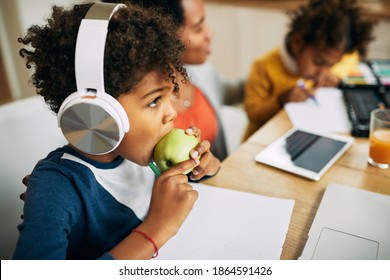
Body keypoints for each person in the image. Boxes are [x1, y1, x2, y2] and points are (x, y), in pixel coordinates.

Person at [13, 2, 220, 260]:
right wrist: (157, 229)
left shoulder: (144, 155)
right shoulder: (58, 186)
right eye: (154, 101)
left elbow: (183, 191)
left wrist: (204, 167)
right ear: (101, 113)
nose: (173, 113)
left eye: (171, 96)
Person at [103, 0, 245, 161]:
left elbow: (238, 90)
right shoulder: (132, 103)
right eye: (198, 28)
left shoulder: (200, 71)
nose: (210, 33)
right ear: (164, 32)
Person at [243, 0, 377, 140]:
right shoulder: (264, 66)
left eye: (331, 65)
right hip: (261, 142)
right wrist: (282, 99)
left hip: (302, 137)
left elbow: (352, 57)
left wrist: (336, 74)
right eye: (319, 62)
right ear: (297, 43)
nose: (323, 72)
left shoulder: (329, 58)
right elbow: (252, 113)